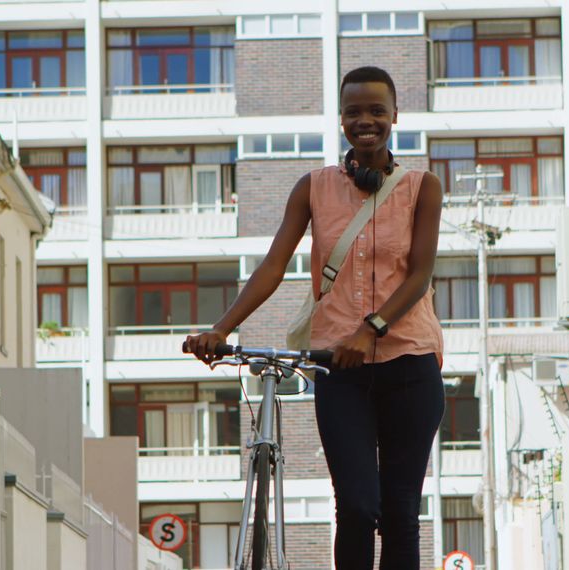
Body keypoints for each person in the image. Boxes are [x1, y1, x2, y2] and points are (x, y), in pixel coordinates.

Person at [185, 66, 445, 569]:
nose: (364, 120)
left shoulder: (423, 188)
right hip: (338, 370)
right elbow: (273, 267)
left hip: (410, 364)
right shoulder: (313, 188)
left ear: (395, 116)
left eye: (376, 110)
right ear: (341, 119)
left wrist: (369, 329)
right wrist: (223, 327)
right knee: (355, 506)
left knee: (399, 513)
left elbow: (419, 277)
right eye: (353, 112)